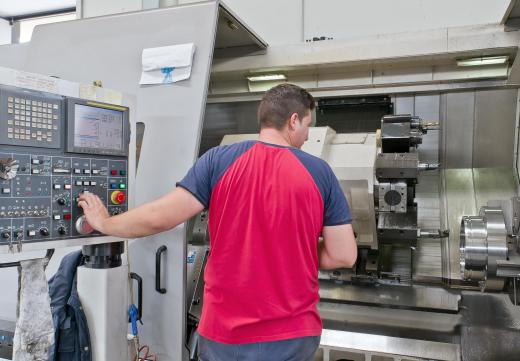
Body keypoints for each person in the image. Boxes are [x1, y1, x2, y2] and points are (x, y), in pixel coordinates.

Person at [78, 83, 357, 361]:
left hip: (225, 333)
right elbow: (343, 255)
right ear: (293, 120)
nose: (307, 136)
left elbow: (158, 218)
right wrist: (294, 251)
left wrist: (106, 223)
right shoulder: (320, 173)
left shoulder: (219, 160)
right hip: (292, 335)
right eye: (307, 125)